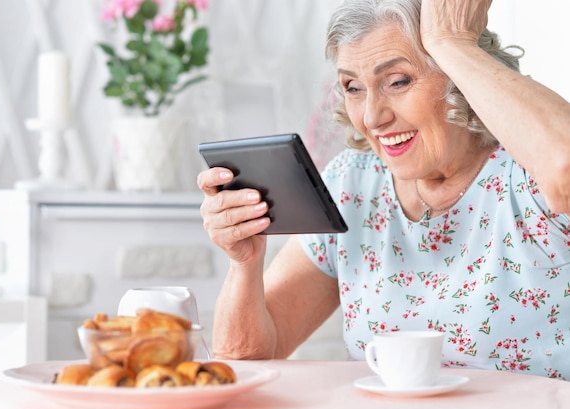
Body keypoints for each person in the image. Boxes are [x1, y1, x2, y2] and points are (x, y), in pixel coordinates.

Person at [197, 0, 570, 379]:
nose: (373, 117)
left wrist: (452, 41)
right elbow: (243, 364)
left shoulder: (530, 175)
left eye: (398, 81)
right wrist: (244, 263)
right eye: (353, 87)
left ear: (461, 76)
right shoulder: (354, 184)